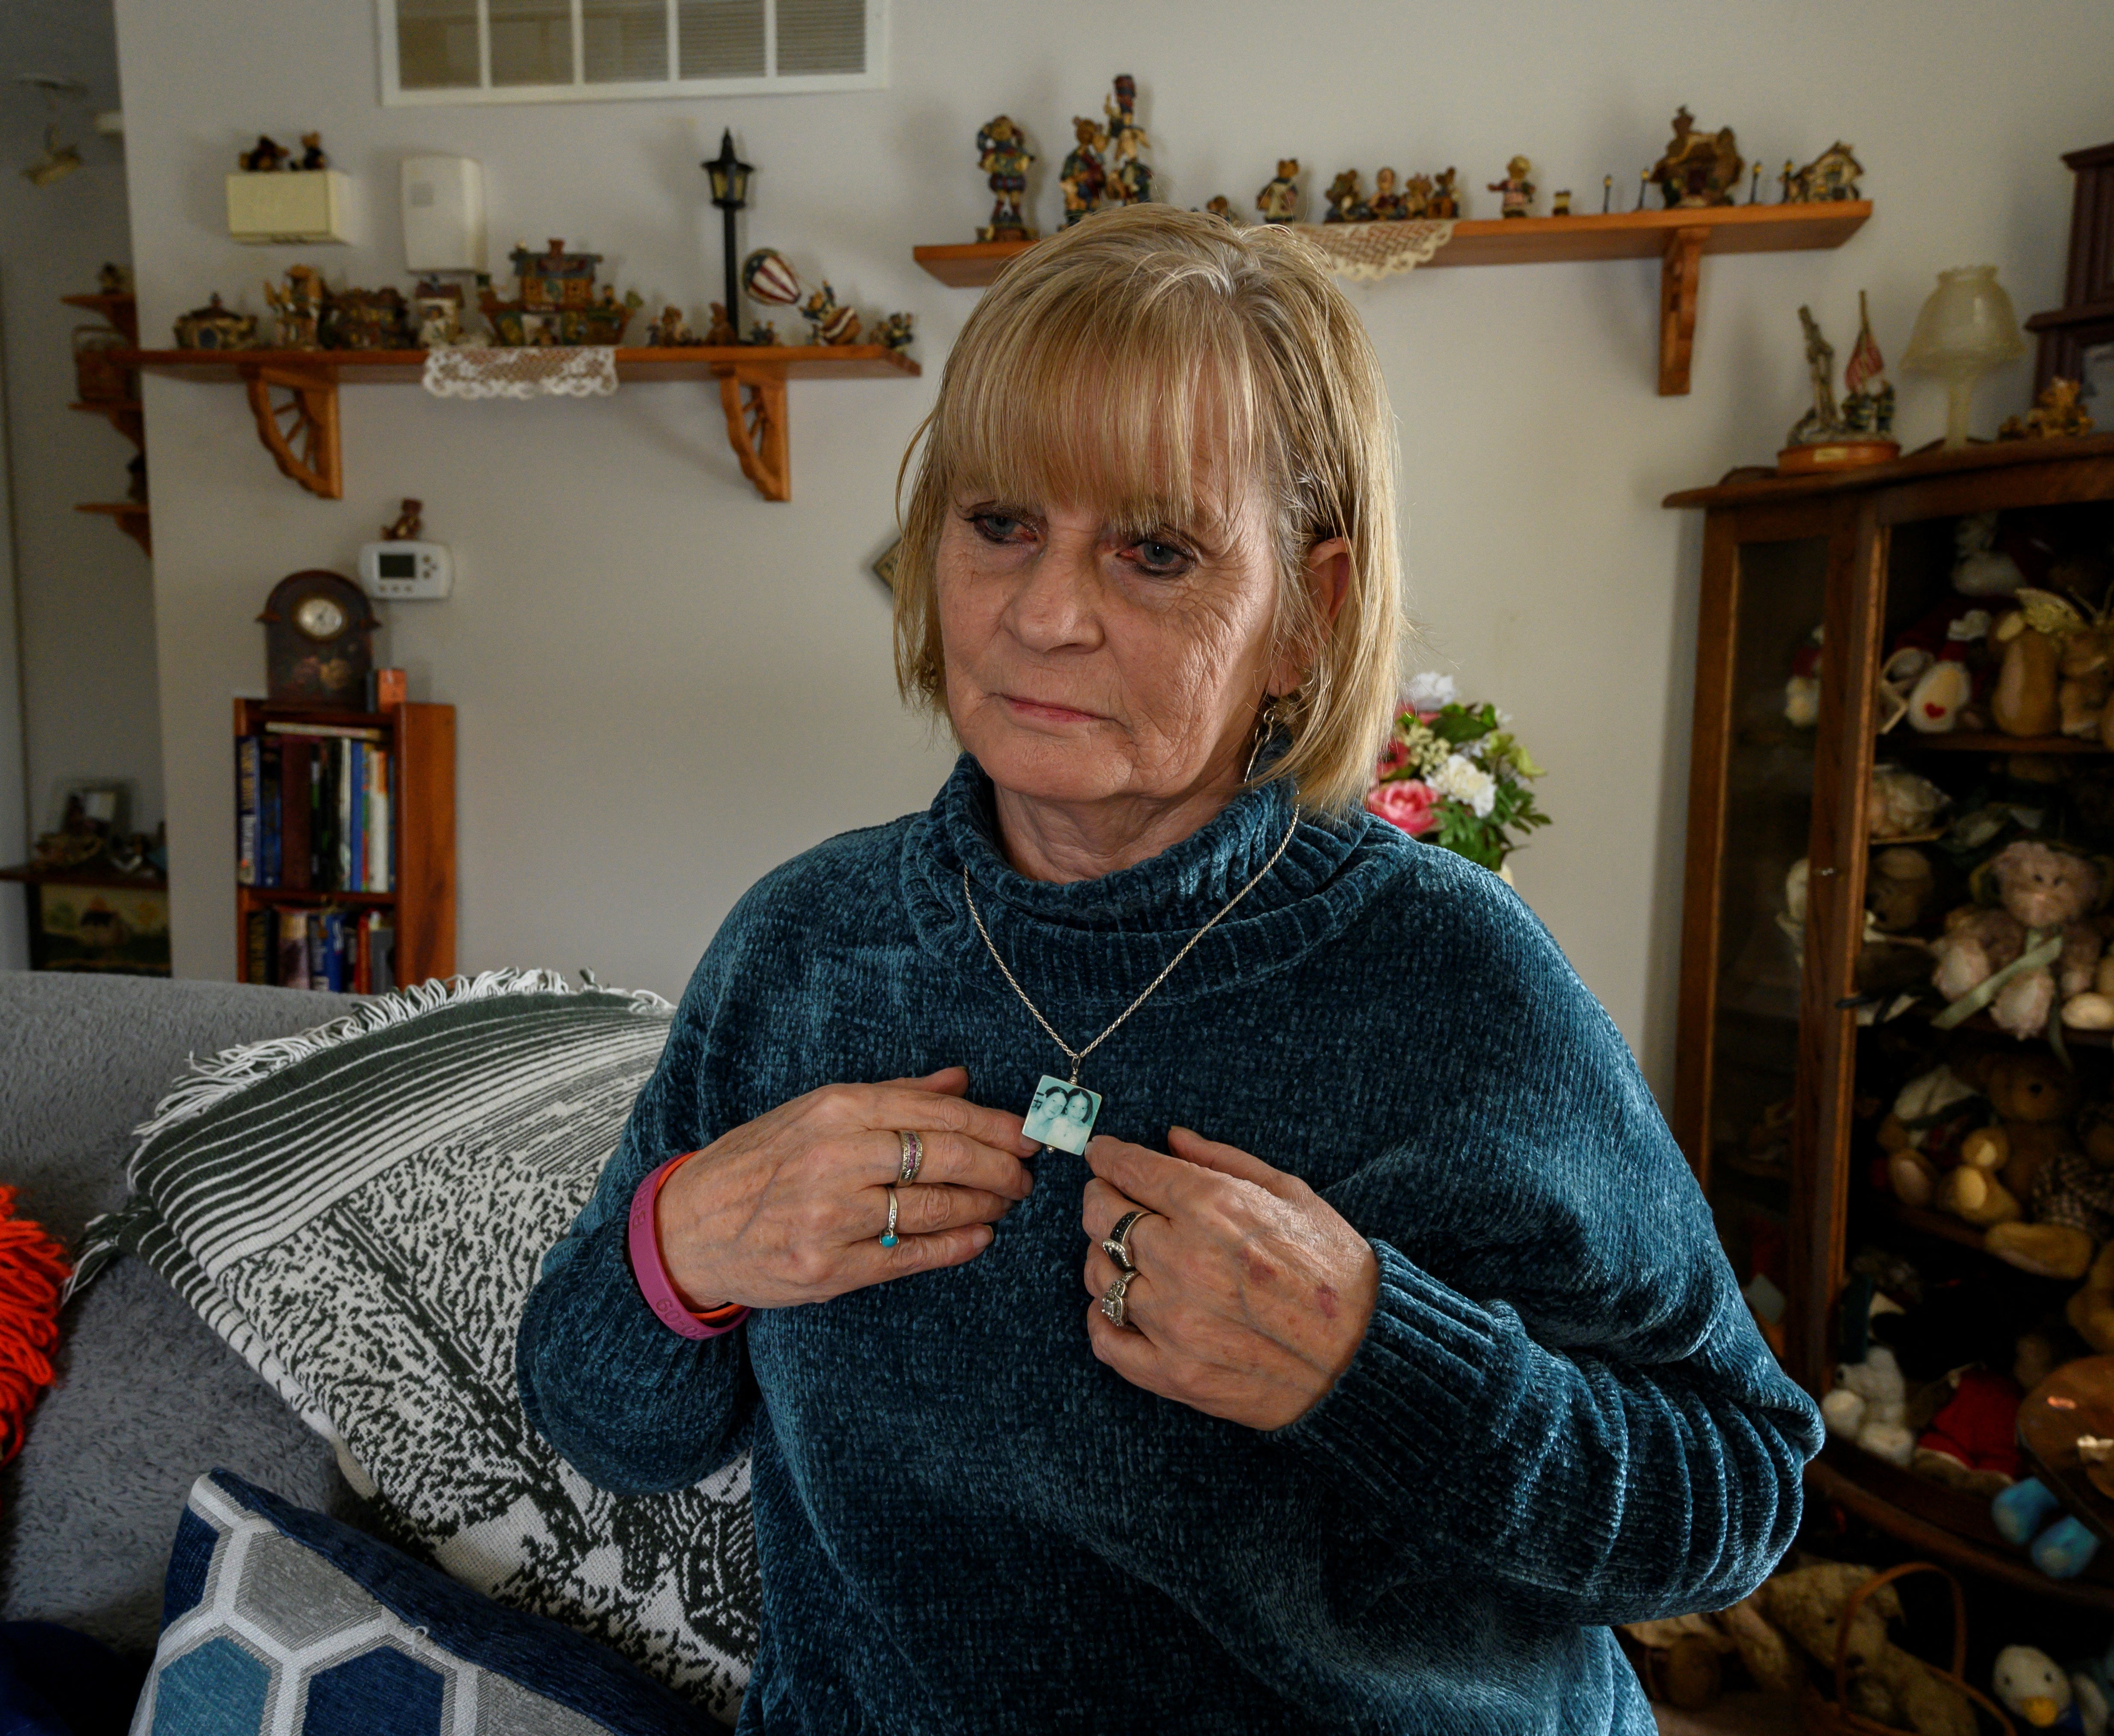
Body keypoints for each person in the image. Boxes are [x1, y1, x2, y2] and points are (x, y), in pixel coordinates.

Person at [516, 204, 1821, 1734]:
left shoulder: (1455, 985)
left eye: (1153, 552)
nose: (1043, 613)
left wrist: (1377, 1361)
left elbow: (1733, 1495)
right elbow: (603, 1419)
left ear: (1305, 616)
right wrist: (685, 1248)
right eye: (999, 522)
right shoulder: (807, 951)